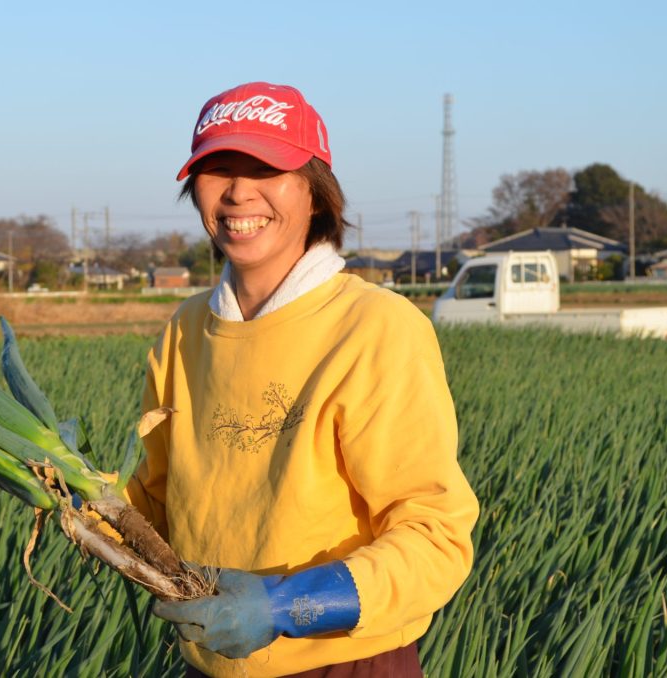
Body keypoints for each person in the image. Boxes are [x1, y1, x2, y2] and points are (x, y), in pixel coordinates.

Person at [119, 82, 480, 677]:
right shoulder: (185, 331)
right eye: (217, 169)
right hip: (210, 664)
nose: (238, 191)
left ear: (315, 192)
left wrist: (284, 606)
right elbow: (154, 503)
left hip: (345, 661)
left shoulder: (374, 328)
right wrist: (35, 473)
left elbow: (435, 536)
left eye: (266, 168)